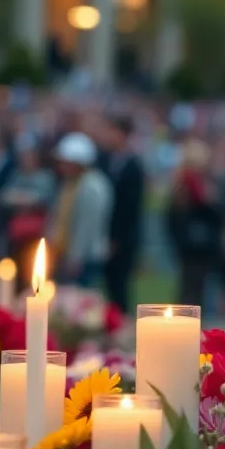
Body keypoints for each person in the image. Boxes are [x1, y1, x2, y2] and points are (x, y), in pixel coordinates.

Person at [49, 132, 113, 287]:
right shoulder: (71, 182)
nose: (61, 166)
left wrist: (76, 257)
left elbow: (87, 224)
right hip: (67, 251)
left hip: (85, 257)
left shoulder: (92, 186)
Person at [166, 139, 223, 307]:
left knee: (191, 288)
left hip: (191, 245)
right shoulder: (194, 186)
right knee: (194, 290)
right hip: (196, 245)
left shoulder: (182, 184)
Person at [98, 114, 145, 312]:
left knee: (119, 285)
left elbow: (130, 208)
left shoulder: (134, 167)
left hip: (123, 238)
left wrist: (116, 238)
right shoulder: (105, 160)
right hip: (105, 232)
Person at [0, 132, 56, 285]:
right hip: (17, 232)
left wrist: (24, 199)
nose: (26, 159)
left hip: (36, 232)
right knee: (15, 266)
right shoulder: (17, 175)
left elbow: (45, 200)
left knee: (32, 267)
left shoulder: (45, 177)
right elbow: (4, 196)